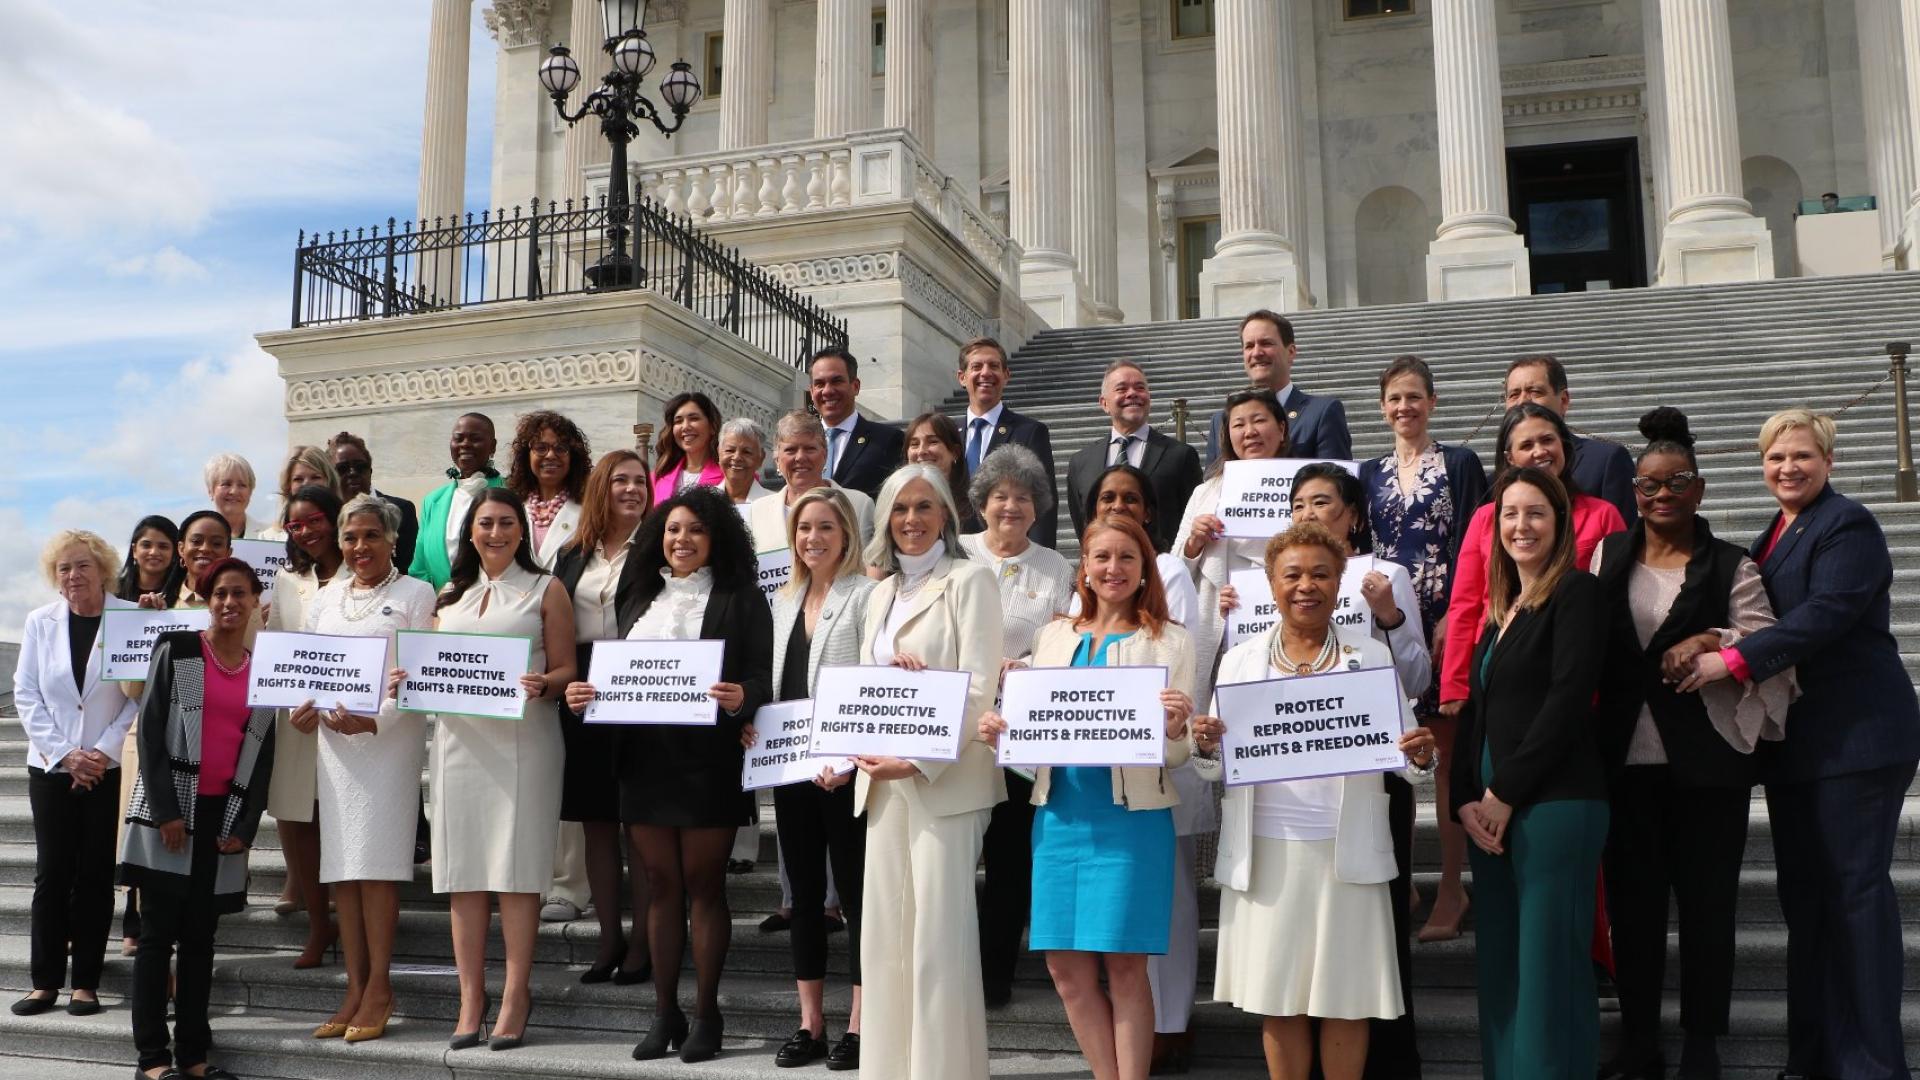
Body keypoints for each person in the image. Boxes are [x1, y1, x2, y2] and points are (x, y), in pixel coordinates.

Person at [1679, 409, 1920, 1080]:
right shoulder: (1770, 536)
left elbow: (1827, 613)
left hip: (1858, 741)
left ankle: (1872, 1066)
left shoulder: (1848, 524)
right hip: (1798, 750)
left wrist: (1732, 662)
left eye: (1802, 456)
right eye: (1776, 457)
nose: (1788, 467)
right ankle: (1812, 1058)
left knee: (1854, 898)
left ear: (1829, 462)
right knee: (1807, 905)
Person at [1589, 409, 1793, 1080]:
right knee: (1635, 912)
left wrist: (1711, 639)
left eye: (1676, 483)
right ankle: (1641, 1038)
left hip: (1708, 770)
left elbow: (1768, 646)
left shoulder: (1732, 565)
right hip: (1625, 767)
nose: (1660, 496)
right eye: (1648, 486)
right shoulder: (1606, 556)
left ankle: (1703, 1042)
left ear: (1699, 489)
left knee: (1709, 910)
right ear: (1634, 493)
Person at [1193, 522, 1438, 1080]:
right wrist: (1205, 744)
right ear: (1272, 583)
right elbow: (1213, 762)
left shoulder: (1372, 658)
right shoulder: (1239, 661)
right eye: (1293, 574)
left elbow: (1406, 765)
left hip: (1345, 855)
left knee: (1346, 1000)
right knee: (1279, 1002)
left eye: (1321, 574)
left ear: (1339, 583)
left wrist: (1421, 756)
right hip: (1267, 853)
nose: (1307, 585)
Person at [978, 514, 1198, 1080]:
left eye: (1127, 557)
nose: (1113, 569)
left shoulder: (1170, 641)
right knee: (1065, 971)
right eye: (1102, 558)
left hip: (1131, 821)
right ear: (1085, 570)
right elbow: (1035, 730)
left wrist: (1177, 731)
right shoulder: (1052, 637)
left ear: (1145, 567)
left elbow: (1178, 754)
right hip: (1059, 817)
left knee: (1126, 968)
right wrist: (1006, 733)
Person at [564, 485, 771, 1063]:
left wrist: (740, 697)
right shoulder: (638, 596)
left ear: (716, 539)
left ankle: (707, 1013)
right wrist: (585, 694)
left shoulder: (742, 597)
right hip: (643, 760)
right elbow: (615, 672)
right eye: (674, 529)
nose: (683, 540)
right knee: (657, 887)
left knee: (704, 888)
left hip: (708, 762)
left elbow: (761, 676)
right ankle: (664, 1012)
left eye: (696, 531)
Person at [1452, 468, 1610, 1080]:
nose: (1522, 525)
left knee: (1548, 969)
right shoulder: (1500, 611)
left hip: (1554, 806)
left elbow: (1569, 699)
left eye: (1536, 512)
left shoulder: (1576, 593)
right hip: (1489, 817)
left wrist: (1503, 793)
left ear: (1561, 523)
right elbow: (1475, 711)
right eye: (1509, 514)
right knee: (1504, 965)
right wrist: (1467, 799)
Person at [1283, 461, 1434, 1079]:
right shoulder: (1272, 580)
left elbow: (1418, 678)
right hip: (1294, 790)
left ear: (1351, 515)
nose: (1309, 514)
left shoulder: (1384, 574)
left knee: (1377, 928)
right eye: (1299, 505)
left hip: (1372, 780)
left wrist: (1391, 617)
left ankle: (1387, 1062)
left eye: (1322, 503)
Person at [856, 463, 1005, 1080]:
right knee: (885, 940)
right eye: (899, 509)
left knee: (938, 941)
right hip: (881, 786)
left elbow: (978, 686)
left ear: (946, 514)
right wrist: (847, 755)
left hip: (945, 783)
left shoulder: (972, 580)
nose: (911, 520)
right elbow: (864, 693)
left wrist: (914, 759)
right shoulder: (879, 593)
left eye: (923, 507)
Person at [417, 488, 576, 1051]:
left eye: (507, 523)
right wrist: (405, 680)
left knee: (516, 869)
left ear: (523, 530)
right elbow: (431, 666)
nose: (495, 533)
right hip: (458, 742)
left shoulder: (546, 588)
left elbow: (565, 669)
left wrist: (544, 684)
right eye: (485, 523)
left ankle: (514, 994)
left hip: (523, 740)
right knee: (463, 872)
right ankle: (469, 996)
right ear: (471, 531)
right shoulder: (449, 593)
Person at [122, 557, 277, 1080]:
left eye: (239, 593)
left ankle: (192, 1055)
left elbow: (264, 754)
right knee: (156, 938)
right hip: (171, 813)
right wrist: (167, 811)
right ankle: (152, 1060)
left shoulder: (263, 668)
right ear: (205, 600)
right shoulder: (178, 649)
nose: (229, 603)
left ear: (256, 600)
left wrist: (245, 826)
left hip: (222, 816)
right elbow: (151, 732)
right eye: (219, 594)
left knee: (200, 943)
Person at [1356, 355, 1489, 946]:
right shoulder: (1368, 473)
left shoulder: (1458, 463)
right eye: (1394, 399)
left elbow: (1473, 541)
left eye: (1414, 397)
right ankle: (1404, 878)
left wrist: (1455, 620)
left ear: (1431, 402)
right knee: (1394, 750)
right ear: (1382, 408)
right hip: (1386, 622)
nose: (1404, 407)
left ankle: (1454, 888)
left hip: (1443, 615)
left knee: (1444, 752)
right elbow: (1358, 545)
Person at [297, 494, 439, 1043]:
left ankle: (381, 985)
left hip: (385, 743)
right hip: (334, 747)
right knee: (342, 870)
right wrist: (300, 712)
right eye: (351, 537)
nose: (360, 547)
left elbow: (418, 680)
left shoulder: (415, 594)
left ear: (392, 539)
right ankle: (354, 986)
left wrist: (375, 721)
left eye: (371, 536)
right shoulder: (325, 600)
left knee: (376, 868)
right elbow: (303, 668)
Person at [750, 486, 877, 1069]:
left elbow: (872, 689)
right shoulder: (780, 599)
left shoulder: (867, 595)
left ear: (845, 533)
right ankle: (810, 1023)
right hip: (792, 768)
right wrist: (755, 727)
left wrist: (848, 758)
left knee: (854, 896)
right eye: (804, 529)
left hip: (846, 772)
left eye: (825, 527)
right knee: (803, 897)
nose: (813, 538)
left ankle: (858, 1023)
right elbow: (775, 685)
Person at [960, 442, 1075, 1009]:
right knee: (955, 855)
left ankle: (993, 972)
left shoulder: (1057, 567)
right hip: (956, 728)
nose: (1011, 506)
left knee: (1009, 857)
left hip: (1020, 734)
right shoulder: (954, 555)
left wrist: (1027, 664)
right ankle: (947, 965)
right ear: (982, 501)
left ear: (1038, 507)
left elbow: (1068, 641)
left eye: (1024, 498)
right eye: (1001, 495)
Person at [1436, 402, 1626, 739]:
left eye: (1548, 440)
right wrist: (1455, 684)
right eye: (1526, 445)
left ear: (1564, 447)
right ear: (1509, 458)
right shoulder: (1486, 517)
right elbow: (1465, 604)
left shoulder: (1602, 515)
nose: (1540, 451)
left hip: (1572, 670)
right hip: (1497, 668)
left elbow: (1616, 603)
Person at [11, 531, 135, 1019]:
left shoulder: (129, 619)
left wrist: (100, 753)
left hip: (106, 768)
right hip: (51, 767)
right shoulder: (39, 622)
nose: (72, 576)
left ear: (102, 568)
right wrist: (67, 754)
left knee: (95, 874)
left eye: (82, 566)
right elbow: (25, 695)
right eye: (63, 568)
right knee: (52, 874)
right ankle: (44, 982)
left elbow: (136, 696)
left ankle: (85, 982)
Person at [550, 450, 655, 984]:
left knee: (638, 820)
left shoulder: (660, 547)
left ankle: (644, 942)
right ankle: (609, 936)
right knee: (596, 819)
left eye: (640, 481)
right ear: (600, 489)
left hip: (643, 686)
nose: (633, 489)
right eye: (621, 480)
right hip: (585, 689)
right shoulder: (572, 554)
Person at [264, 484, 345, 969]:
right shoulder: (287, 579)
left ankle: (353, 922)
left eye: (315, 520)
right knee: (296, 818)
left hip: (349, 714)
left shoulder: (362, 570)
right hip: (296, 715)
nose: (307, 531)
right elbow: (276, 646)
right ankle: (320, 924)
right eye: (296, 525)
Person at [1176, 388, 1293, 710]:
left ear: (1281, 429)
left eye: (1259, 421)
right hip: (1216, 622)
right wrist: (1194, 543)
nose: (1250, 431)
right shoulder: (1205, 491)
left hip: (1285, 620)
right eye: (1239, 424)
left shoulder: (1305, 485)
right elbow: (1174, 572)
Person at [1065, 360, 1204, 555]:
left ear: (1149, 397)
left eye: (1140, 388)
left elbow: (1191, 522)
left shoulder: (1180, 456)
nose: (1132, 393)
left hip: (1163, 573)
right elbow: (1083, 526)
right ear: (1104, 403)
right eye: (1121, 389)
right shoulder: (1081, 463)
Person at [1502, 355, 1636, 525]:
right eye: (1514, 394)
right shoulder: (1496, 480)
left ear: (1564, 400)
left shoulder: (1605, 461)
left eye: (1535, 392)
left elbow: (1623, 542)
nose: (1523, 401)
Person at [1205, 311, 1351, 463]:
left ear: (1291, 352)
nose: (1256, 353)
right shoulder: (1220, 422)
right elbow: (1213, 481)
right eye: (1249, 346)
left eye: (1266, 343)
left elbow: (1336, 479)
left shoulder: (1322, 413)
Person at [955, 337, 1057, 548]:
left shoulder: (1029, 432)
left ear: (1006, 375)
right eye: (976, 366)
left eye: (994, 366)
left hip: (1010, 551)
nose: (985, 373)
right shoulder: (948, 435)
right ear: (962, 377)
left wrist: (1040, 556)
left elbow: (1043, 504)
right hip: (957, 552)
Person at [747, 410, 876, 554]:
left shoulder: (858, 505)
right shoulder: (756, 511)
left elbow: (867, 568)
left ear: (825, 454)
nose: (800, 457)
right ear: (777, 458)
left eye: (809, 449)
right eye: (791, 450)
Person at [409, 412, 505, 591]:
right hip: (445, 609)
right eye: (458, 438)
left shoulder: (511, 493)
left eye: (475, 438)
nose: (465, 444)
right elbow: (419, 569)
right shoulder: (432, 501)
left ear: (492, 446)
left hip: (498, 602)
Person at [810, 346, 905, 500]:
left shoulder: (888, 441)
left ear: (855, 386)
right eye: (819, 384)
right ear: (812, 391)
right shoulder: (801, 444)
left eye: (836, 381)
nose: (827, 391)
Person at [506, 409, 591, 568]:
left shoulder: (588, 510)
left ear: (573, 457)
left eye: (560, 448)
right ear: (527, 455)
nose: (551, 455)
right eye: (541, 448)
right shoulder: (512, 506)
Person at [328, 430, 420, 573]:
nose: (352, 473)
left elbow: (407, 566)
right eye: (343, 469)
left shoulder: (401, 510)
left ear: (370, 471)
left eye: (360, 466)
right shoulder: (327, 518)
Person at [904, 412, 978, 531]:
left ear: (955, 452)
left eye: (933, 442)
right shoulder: (895, 502)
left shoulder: (975, 508)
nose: (921, 451)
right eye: (914, 444)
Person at [652, 391, 725, 502]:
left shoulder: (729, 476)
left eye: (694, 418)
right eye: (678, 421)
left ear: (712, 426)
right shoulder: (657, 477)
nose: (685, 426)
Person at [259, 446, 342, 540]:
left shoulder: (348, 529)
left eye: (315, 477)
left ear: (330, 482)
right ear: (288, 486)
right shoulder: (268, 538)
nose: (306, 484)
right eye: (298, 479)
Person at [115, 516, 185, 611]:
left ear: (175, 552)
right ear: (134, 550)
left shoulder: (184, 593)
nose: (154, 552)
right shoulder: (113, 591)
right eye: (146, 545)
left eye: (163, 546)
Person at [204, 452, 269, 539]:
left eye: (242, 485)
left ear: (250, 491)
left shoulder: (273, 537)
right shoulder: (195, 538)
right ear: (210, 491)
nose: (234, 491)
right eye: (226, 484)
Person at [718, 417, 773, 505]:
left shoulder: (774, 505)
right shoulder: (702, 502)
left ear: (761, 458)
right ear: (719, 452)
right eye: (730, 450)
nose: (737, 457)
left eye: (746, 452)